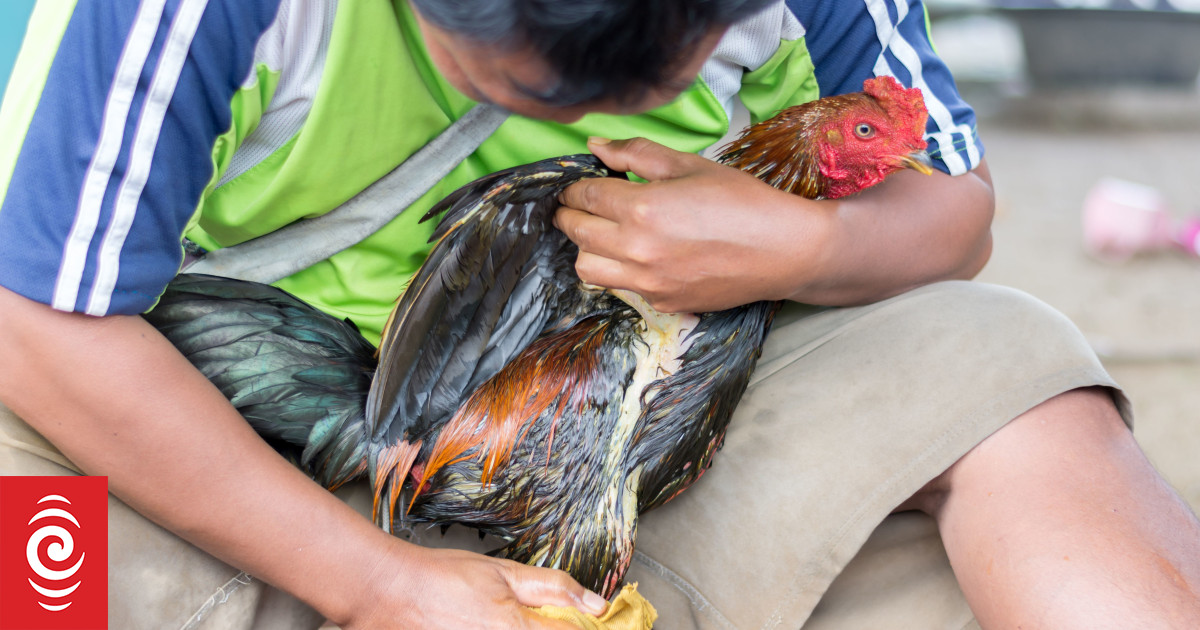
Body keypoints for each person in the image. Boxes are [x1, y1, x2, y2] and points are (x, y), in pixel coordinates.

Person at [0, 1, 1197, 628]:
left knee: (1004, 362)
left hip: (640, 420)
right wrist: (376, 584)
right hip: (207, 422)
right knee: (26, 543)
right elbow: (35, 319)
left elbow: (957, 214)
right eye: (519, 72)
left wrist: (812, 240)